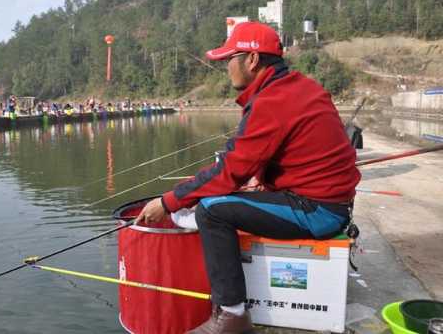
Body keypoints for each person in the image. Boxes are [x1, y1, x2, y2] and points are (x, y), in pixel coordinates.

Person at [136, 22, 361, 334]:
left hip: (318, 211)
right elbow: (269, 157)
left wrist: (168, 201)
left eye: (229, 59)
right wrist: (262, 181)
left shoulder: (273, 100)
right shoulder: (295, 88)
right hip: (327, 202)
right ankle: (198, 238)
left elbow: (228, 171)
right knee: (216, 200)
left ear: (252, 60)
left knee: (212, 210)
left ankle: (232, 317)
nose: (226, 67)